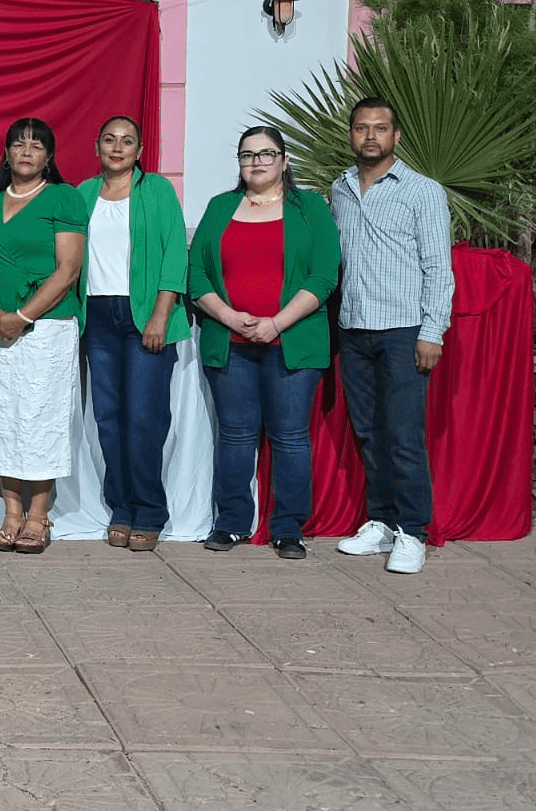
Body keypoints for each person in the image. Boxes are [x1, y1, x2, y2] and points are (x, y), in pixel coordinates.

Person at [187, 125, 340, 560]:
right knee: (235, 435)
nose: (256, 161)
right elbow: (196, 273)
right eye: (247, 154)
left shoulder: (309, 207)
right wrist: (229, 316)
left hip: (293, 340)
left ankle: (289, 527)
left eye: (266, 153)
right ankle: (231, 522)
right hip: (229, 341)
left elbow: (324, 274)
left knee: (290, 436)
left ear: (284, 160)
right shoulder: (220, 207)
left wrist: (277, 323)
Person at [331, 97, 454, 575]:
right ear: (352, 135)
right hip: (355, 329)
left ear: (396, 136)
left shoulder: (423, 191)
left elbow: (438, 269)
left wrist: (432, 332)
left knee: (403, 433)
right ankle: (380, 522)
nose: (370, 137)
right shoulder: (338, 188)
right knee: (367, 431)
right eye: (362, 128)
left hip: (404, 331)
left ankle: (413, 532)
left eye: (380, 129)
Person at [0, 117, 86, 555]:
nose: (27, 151)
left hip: (46, 327)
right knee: (0, 417)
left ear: (49, 156)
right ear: (7, 153)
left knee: (40, 417)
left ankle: (39, 515)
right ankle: (11, 513)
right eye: (19, 144)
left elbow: (67, 271)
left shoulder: (64, 198)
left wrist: (22, 315)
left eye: (37, 146)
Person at [75, 115, 190, 552]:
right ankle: (120, 506)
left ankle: (150, 510)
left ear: (140, 151)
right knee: (108, 418)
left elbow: (173, 254)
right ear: (97, 147)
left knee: (144, 418)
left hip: (144, 315)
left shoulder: (156, 190)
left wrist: (161, 314)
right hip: (98, 316)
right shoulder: (83, 194)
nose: (118, 147)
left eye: (127, 141)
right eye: (109, 140)